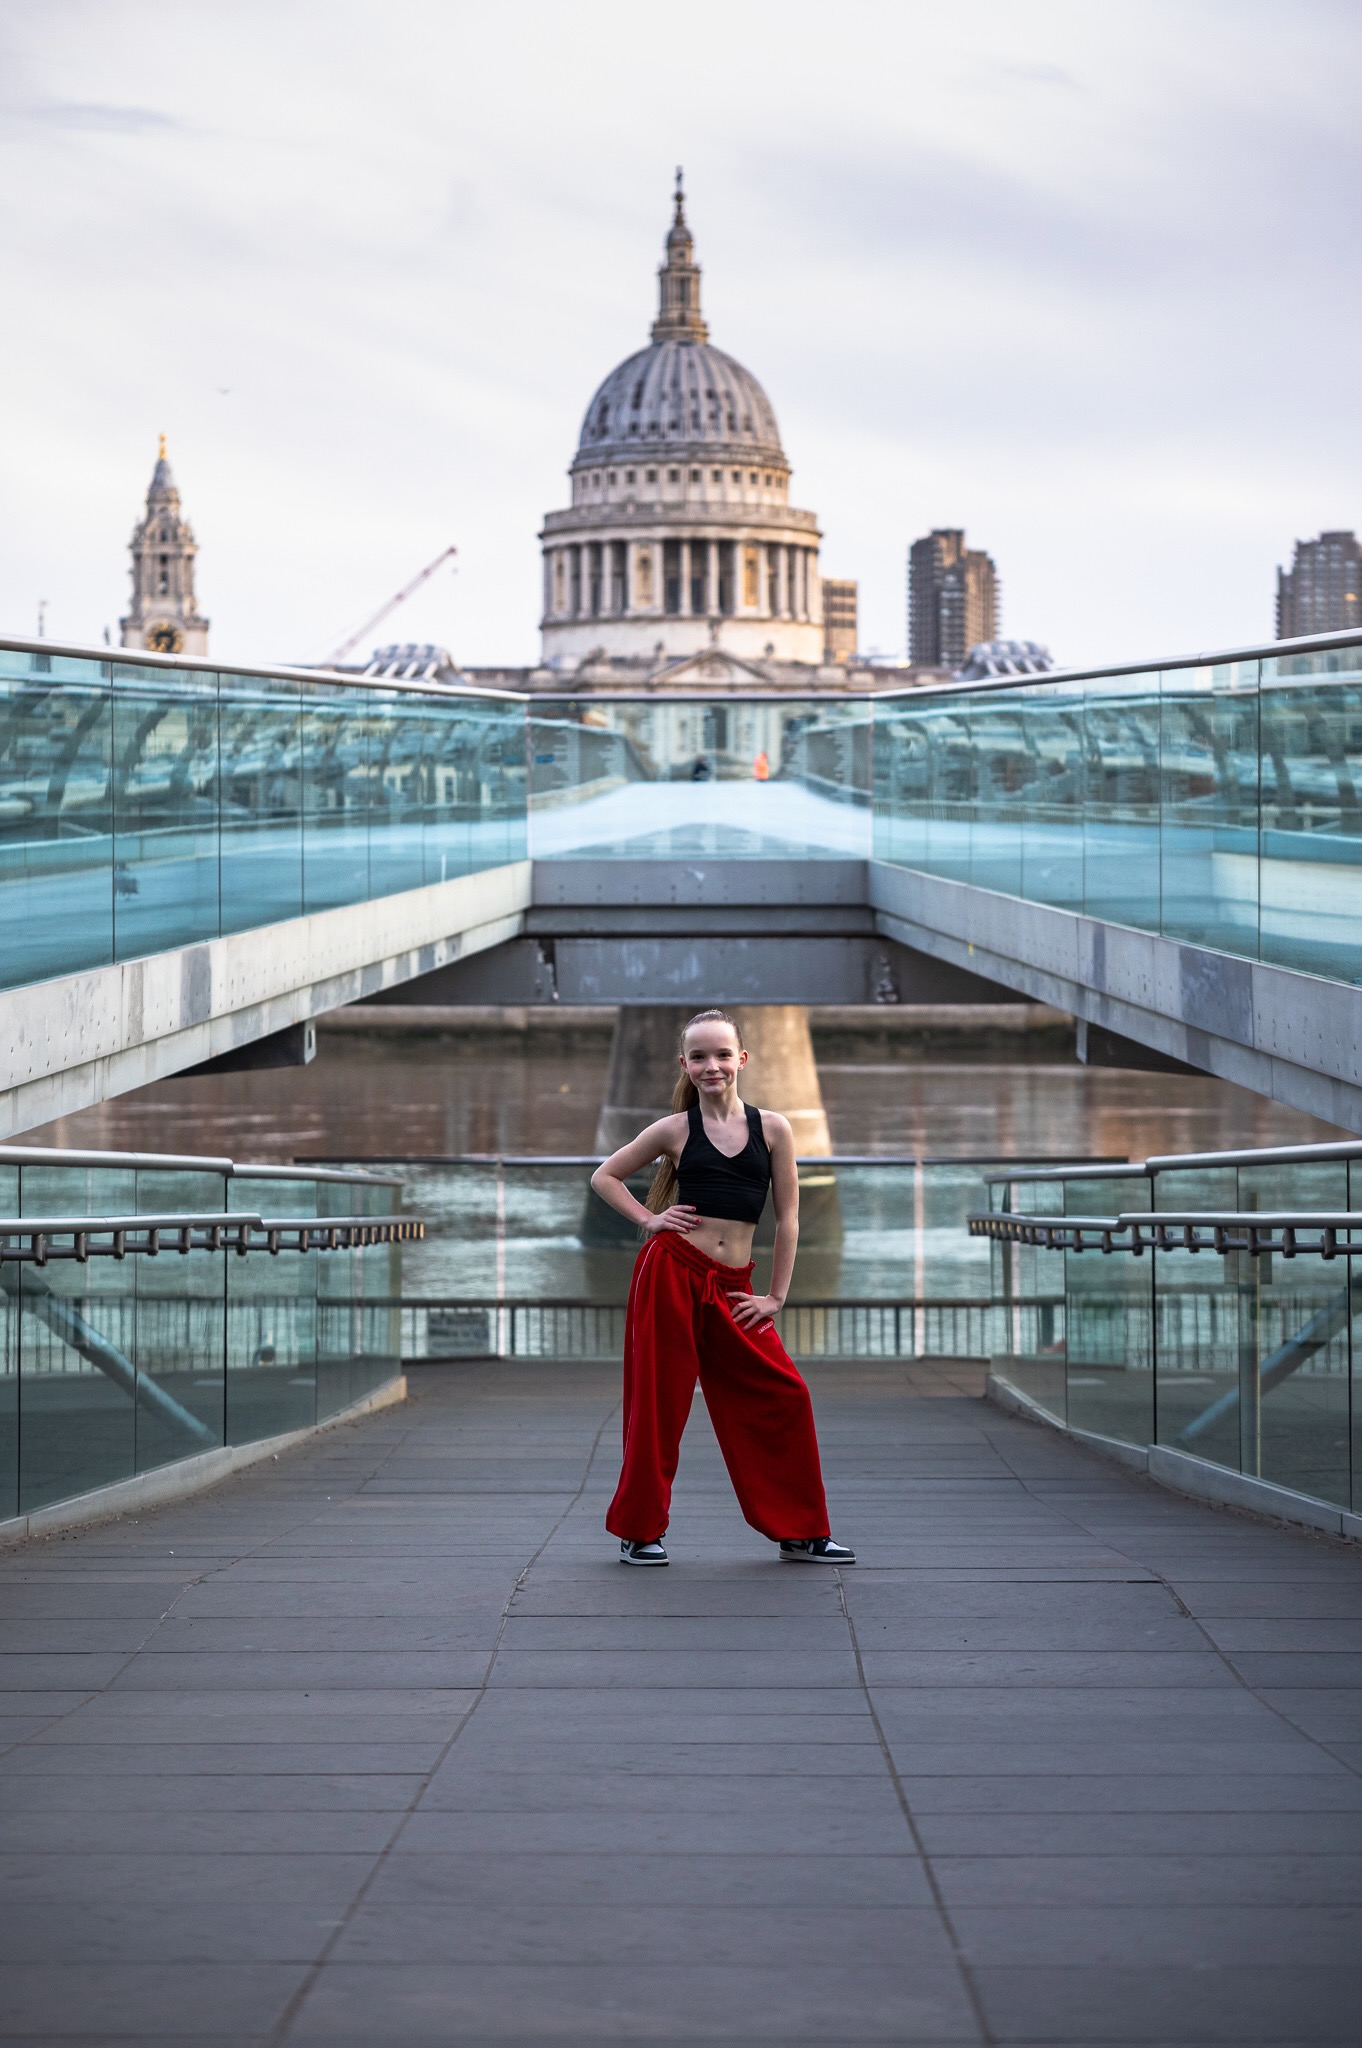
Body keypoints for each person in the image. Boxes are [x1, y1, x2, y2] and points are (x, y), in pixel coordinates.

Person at [590, 1009, 855, 1568]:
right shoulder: (675, 1129)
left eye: (722, 1055)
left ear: (742, 1060)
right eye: (700, 1056)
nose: (712, 1066)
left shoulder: (774, 1128)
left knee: (785, 1394)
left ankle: (802, 1530)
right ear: (684, 1064)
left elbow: (788, 1220)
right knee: (659, 1402)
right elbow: (604, 1176)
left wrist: (776, 1297)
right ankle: (640, 1531)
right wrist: (650, 1219)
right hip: (670, 1272)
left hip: (734, 1286)